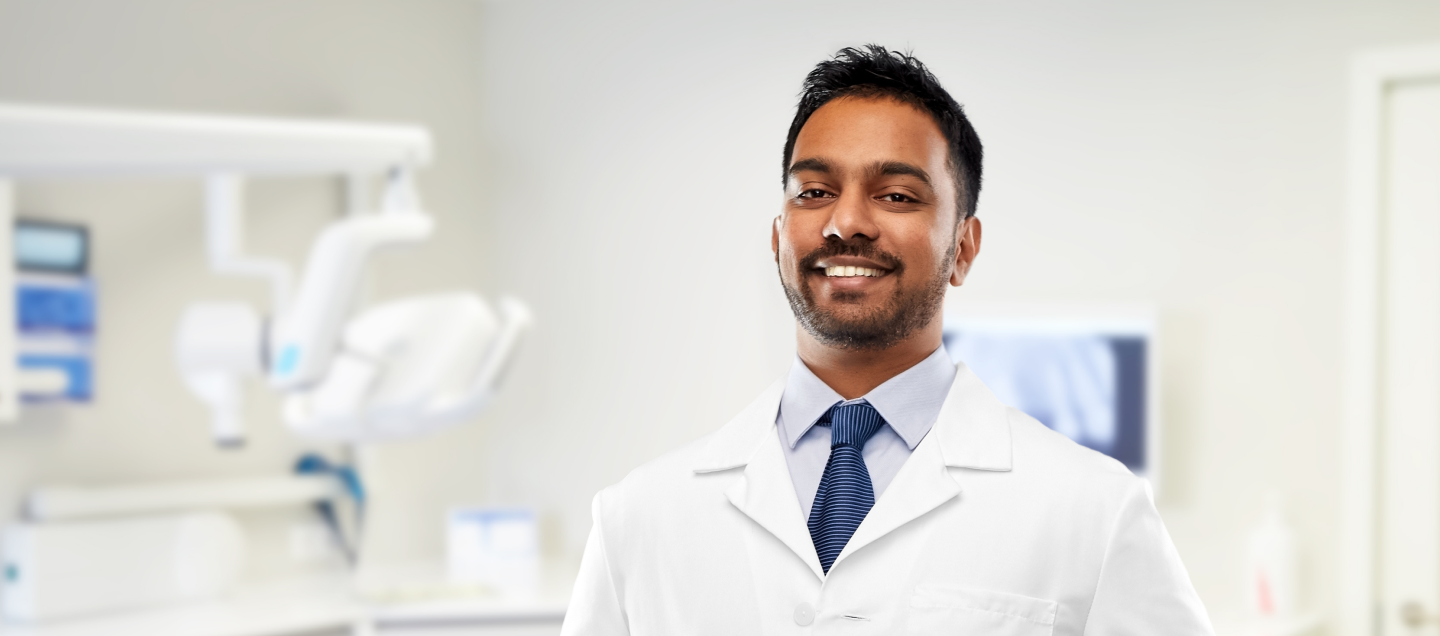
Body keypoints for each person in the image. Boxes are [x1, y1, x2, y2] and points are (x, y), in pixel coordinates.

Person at [561, 44, 1212, 634]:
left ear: (963, 247)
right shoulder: (640, 518)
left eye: (896, 196)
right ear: (777, 238)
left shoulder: (1092, 511)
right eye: (814, 191)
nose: (845, 222)